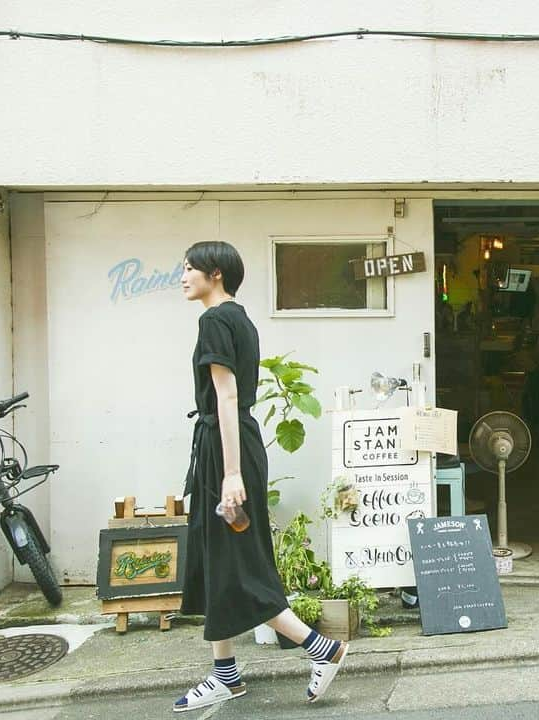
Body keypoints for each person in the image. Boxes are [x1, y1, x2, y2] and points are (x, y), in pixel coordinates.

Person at [174, 241, 347, 713]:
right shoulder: (239, 318)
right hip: (231, 444)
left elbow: (226, 396)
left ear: (215, 274)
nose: (182, 276)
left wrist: (231, 474)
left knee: (238, 561)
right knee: (218, 557)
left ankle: (321, 648)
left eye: (190, 268)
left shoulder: (214, 320)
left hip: (227, 452)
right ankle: (225, 675)